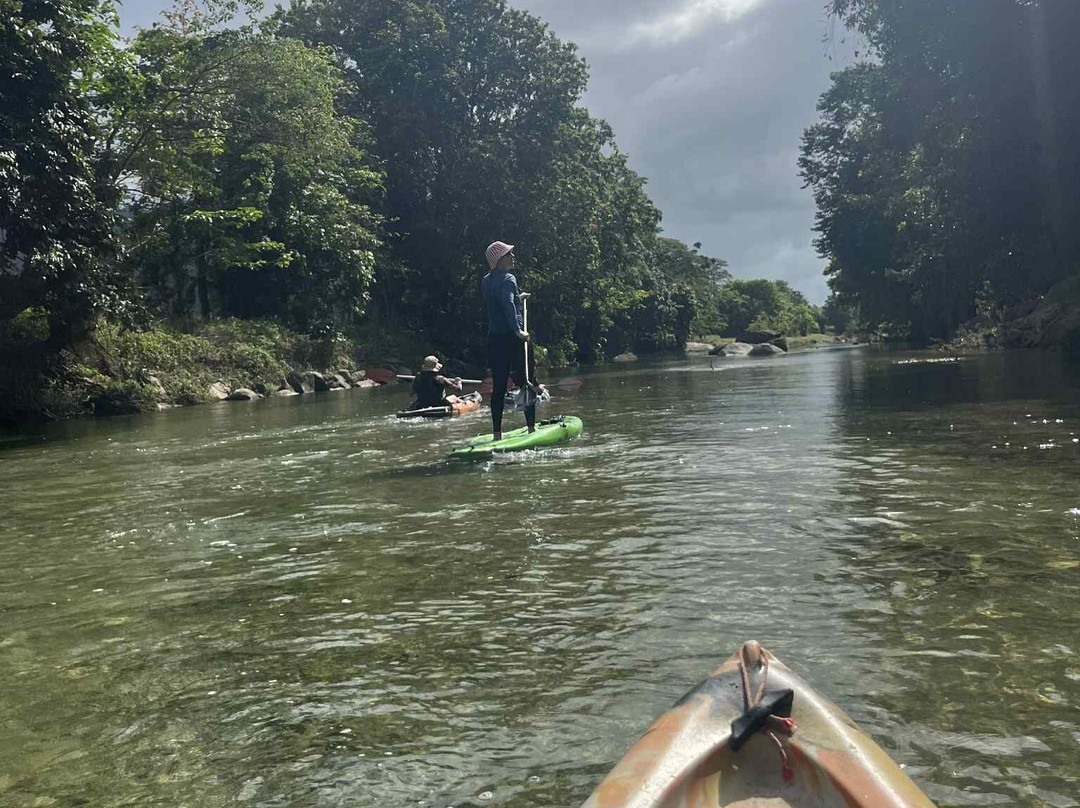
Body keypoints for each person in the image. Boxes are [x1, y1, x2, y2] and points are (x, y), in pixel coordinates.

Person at [481, 241, 545, 440]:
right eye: (509, 254)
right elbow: (508, 304)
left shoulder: (486, 280)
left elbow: (503, 300)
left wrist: (519, 297)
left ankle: (497, 434)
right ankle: (531, 429)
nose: (513, 257)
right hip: (514, 338)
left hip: (495, 339)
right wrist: (518, 331)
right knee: (526, 382)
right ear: (500, 260)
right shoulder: (509, 278)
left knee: (499, 387)